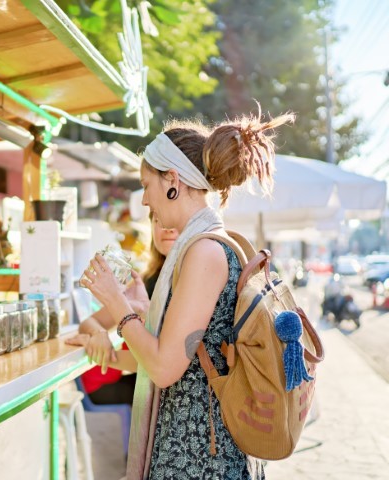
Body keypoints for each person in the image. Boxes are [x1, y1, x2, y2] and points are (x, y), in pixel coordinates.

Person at [80, 110, 293, 480]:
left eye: (147, 184)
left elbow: (164, 368)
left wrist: (117, 303)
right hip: (198, 449)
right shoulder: (206, 245)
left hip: (200, 458)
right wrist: (111, 353)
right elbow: (185, 365)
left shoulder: (204, 252)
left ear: (172, 181)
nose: (145, 200)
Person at [65, 213, 177, 406]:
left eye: (173, 218)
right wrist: (99, 334)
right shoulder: (145, 282)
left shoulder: (192, 283)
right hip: (146, 382)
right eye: (157, 220)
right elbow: (89, 323)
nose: (167, 227)